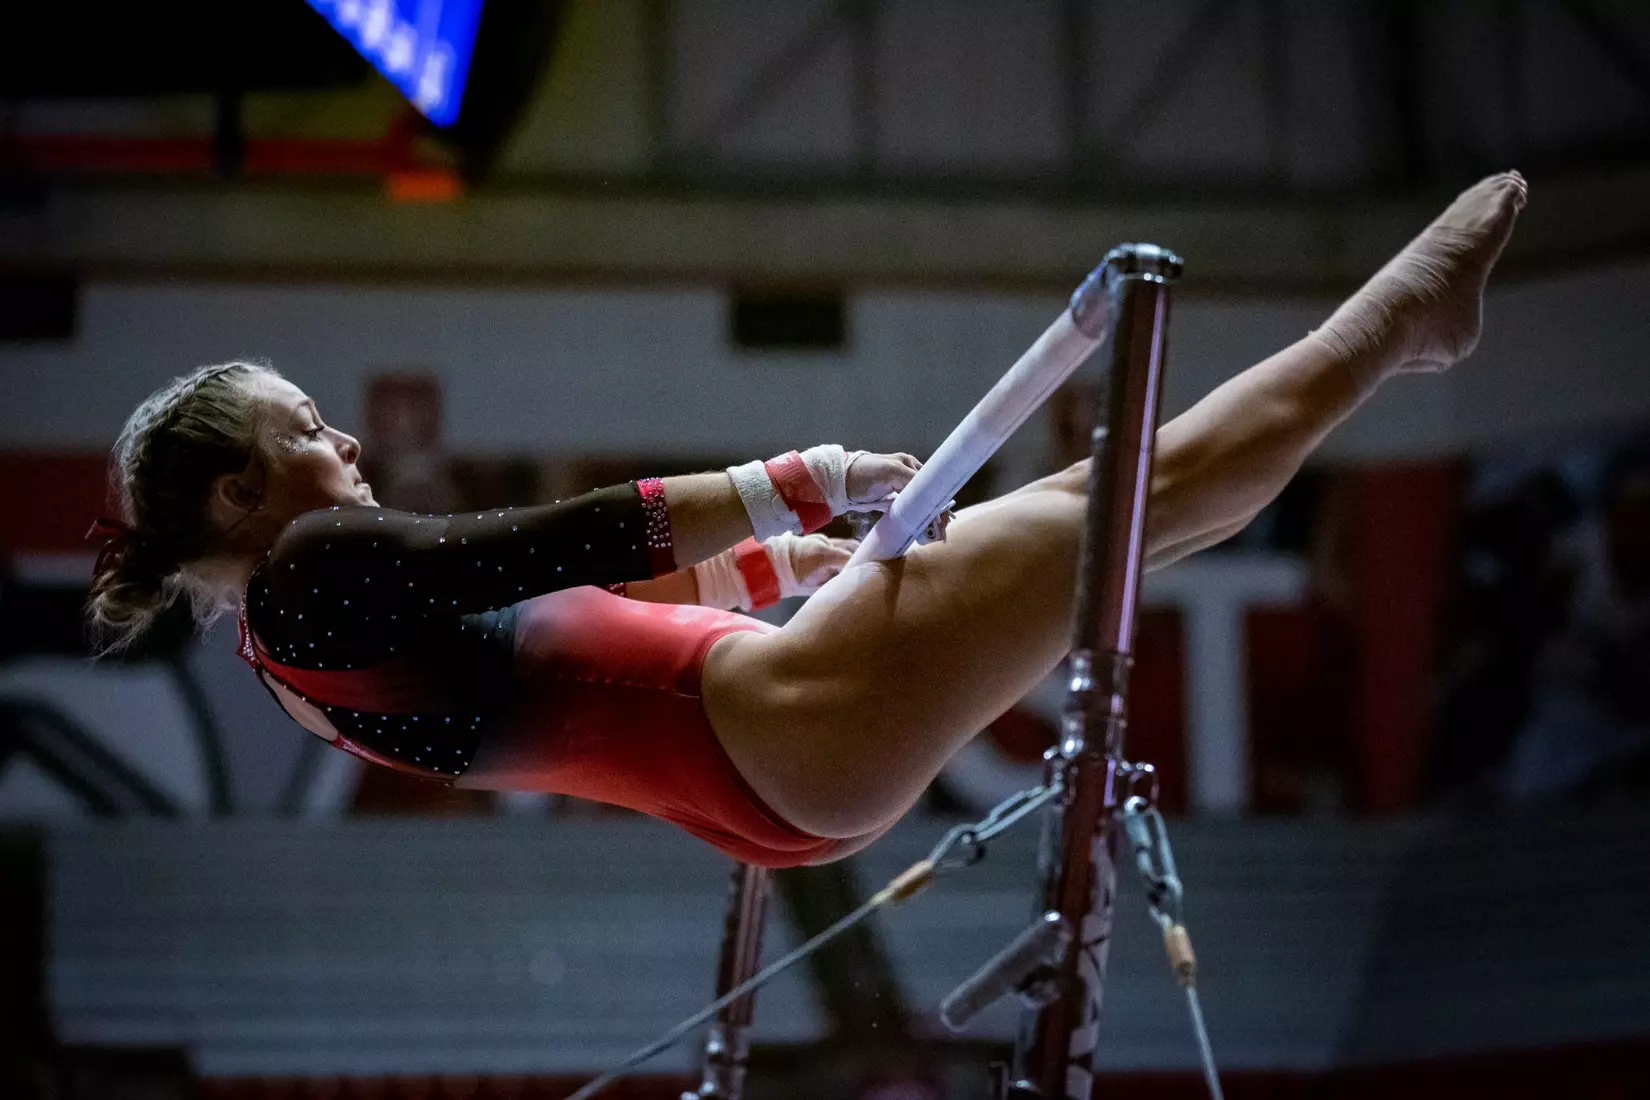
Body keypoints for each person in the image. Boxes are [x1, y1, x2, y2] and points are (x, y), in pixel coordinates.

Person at [87, 173, 1528, 867]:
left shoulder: (288, 673)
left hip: (765, 781)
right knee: (1119, 496)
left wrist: (773, 566)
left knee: (1122, 530)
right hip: (778, 718)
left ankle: (1399, 331)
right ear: (237, 491)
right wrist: (813, 471)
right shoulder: (318, 569)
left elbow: (561, 646)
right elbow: (570, 544)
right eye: (304, 433)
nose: (340, 441)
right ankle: (1405, 319)